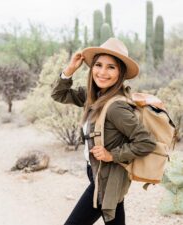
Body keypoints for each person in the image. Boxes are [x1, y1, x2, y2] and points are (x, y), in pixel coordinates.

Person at [51, 38, 156, 225]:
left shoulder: (115, 107)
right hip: (98, 173)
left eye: (111, 67)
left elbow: (146, 142)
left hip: (107, 177)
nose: (102, 72)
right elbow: (59, 94)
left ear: (121, 73)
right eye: (98, 65)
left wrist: (111, 155)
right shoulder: (93, 95)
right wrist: (69, 70)